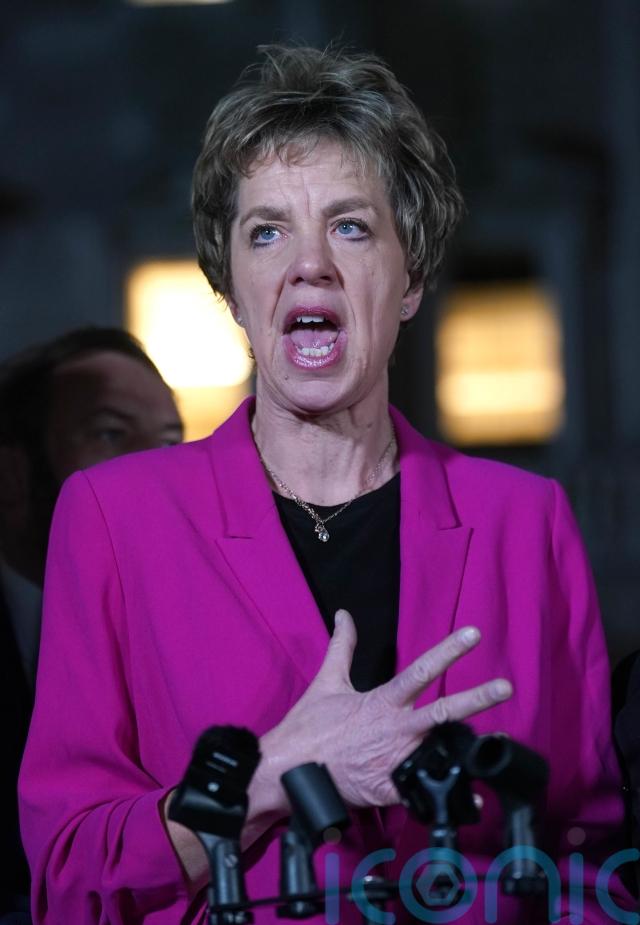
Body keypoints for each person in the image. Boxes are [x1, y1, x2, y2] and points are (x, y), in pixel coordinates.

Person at [19, 47, 631, 924]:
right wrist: (275, 773)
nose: (309, 263)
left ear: (411, 278)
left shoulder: (525, 521)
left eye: (350, 226)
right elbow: (68, 875)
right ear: (233, 288)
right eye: (267, 231)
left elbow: (590, 857)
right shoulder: (115, 519)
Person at [0, 327, 183, 921]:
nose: (157, 466)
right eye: (111, 434)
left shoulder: (188, 622)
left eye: (171, 441)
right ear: (12, 476)